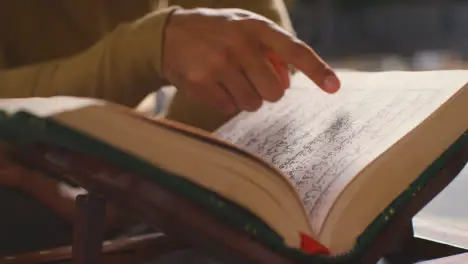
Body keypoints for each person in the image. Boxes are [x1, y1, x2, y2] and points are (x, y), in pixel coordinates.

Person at [0, 0, 341, 258]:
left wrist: (144, 184)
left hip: (121, 168)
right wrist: (145, 50)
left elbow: (253, 33)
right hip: (25, 174)